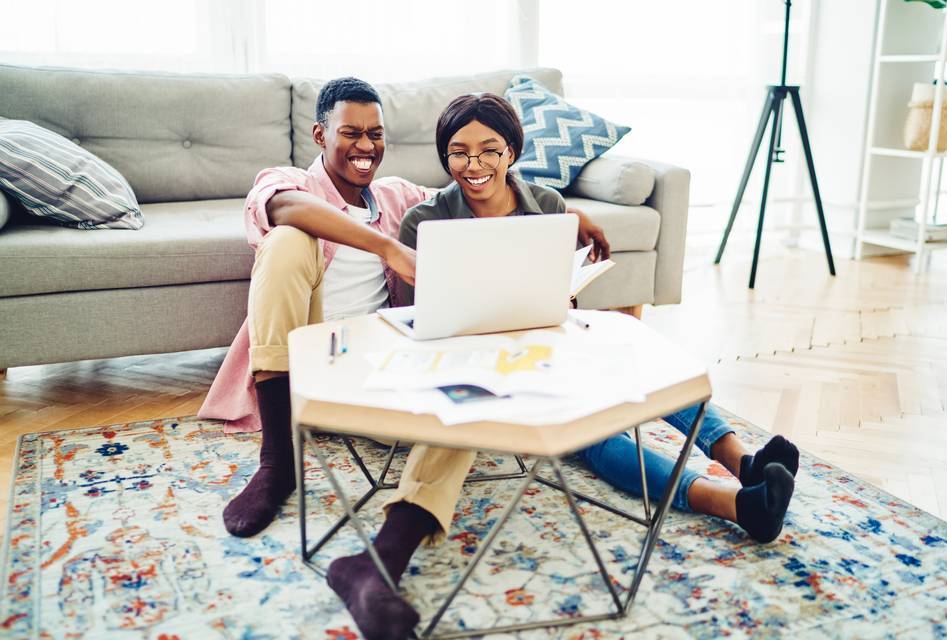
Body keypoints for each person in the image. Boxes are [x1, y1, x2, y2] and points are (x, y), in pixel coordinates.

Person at [326, 93, 801, 640]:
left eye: (488, 150)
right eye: (458, 152)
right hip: (474, 361)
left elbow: (563, 299)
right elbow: (416, 317)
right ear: (444, 157)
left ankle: (741, 460)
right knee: (592, 440)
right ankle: (738, 504)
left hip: (551, 344)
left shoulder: (549, 207)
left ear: (512, 152)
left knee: (637, 357)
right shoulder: (424, 221)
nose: (473, 164)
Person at [197, 77, 610, 544]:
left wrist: (572, 216)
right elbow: (284, 207)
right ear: (320, 136)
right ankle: (277, 462)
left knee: (466, 389)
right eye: (351, 133)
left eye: (375, 134)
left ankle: (399, 535)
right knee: (289, 240)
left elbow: (477, 188)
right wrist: (390, 250)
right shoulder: (288, 183)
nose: (365, 146)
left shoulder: (396, 196)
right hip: (302, 359)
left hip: (374, 358)